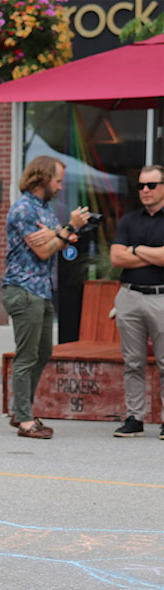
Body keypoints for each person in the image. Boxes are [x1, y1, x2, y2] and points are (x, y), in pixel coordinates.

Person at [1, 155, 89, 439]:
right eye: (57, 180)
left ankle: (21, 410)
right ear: (42, 178)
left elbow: (58, 244)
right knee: (27, 356)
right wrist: (67, 229)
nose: (60, 186)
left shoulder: (45, 209)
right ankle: (24, 419)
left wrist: (58, 234)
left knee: (43, 353)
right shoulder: (24, 209)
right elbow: (43, 250)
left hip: (41, 289)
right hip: (23, 289)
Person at [110, 165, 164, 438]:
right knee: (133, 362)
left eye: (151, 185)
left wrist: (135, 249)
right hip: (129, 296)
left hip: (161, 297)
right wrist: (152, 253)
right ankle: (135, 418)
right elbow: (117, 258)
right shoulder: (129, 220)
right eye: (141, 185)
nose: (145, 190)